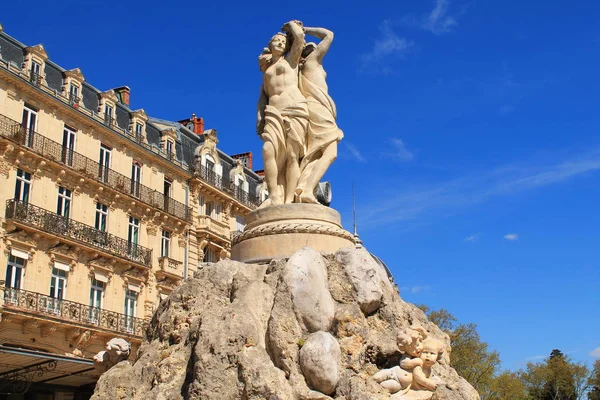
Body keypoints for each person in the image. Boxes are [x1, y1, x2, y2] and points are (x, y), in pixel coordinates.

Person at [257, 20, 308, 205]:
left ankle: (288, 200)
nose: (279, 43)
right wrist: (260, 115)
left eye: (283, 42)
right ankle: (273, 196)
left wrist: (292, 26)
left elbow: (300, 39)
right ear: (270, 45)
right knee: (268, 149)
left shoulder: (291, 61)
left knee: (292, 155)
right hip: (273, 112)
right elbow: (263, 95)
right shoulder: (266, 71)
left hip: (295, 109)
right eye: (276, 40)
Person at [294, 25, 344, 203]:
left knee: (314, 154)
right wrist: (305, 29)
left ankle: (303, 189)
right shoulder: (312, 61)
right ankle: (307, 190)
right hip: (318, 109)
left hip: (317, 108)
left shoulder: (304, 68)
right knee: (331, 153)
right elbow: (329, 35)